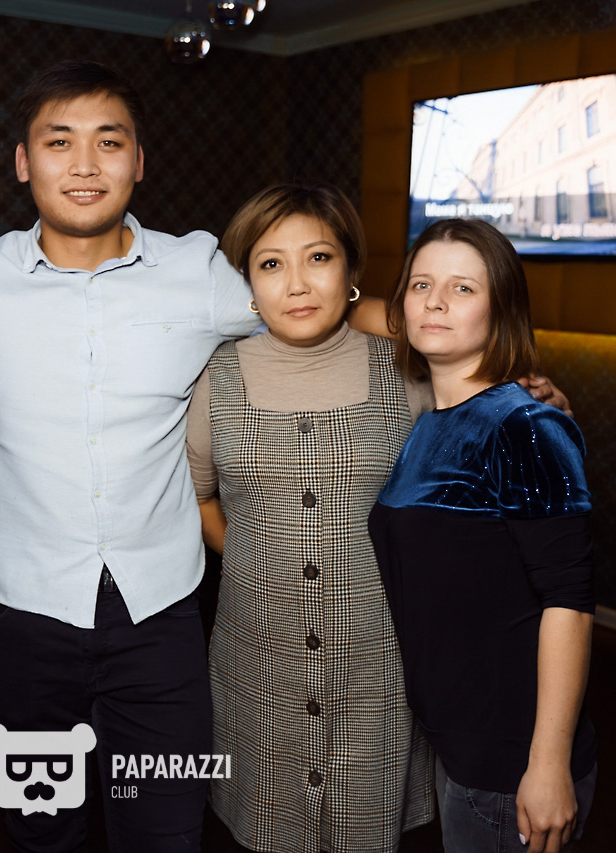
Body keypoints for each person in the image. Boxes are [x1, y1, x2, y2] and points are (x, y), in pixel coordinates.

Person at [0, 63, 567, 852]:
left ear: (140, 162)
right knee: (42, 830)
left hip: (162, 627)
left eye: (109, 141)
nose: (85, 163)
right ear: (23, 163)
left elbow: (325, 297)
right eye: (59, 141)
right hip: (23, 621)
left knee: (164, 827)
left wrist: (491, 369)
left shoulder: (201, 274)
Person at [186, 184, 435, 853]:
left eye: (318, 257)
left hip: (377, 656)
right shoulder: (215, 375)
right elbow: (202, 498)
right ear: (247, 282)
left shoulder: (408, 371)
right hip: (256, 652)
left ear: (350, 269)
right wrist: (261, 560)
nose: (296, 283)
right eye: (271, 264)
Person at [369, 219, 597, 853]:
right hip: (460, 740)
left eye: (463, 288)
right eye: (421, 285)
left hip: (512, 758)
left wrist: (547, 764)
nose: (436, 302)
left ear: (502, 312)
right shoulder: (433, 421)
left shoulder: (522, 426)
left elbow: (569, 602)